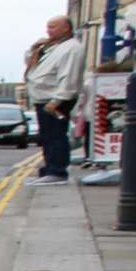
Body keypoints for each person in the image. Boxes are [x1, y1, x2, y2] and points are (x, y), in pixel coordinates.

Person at [25, 15, 86, 185]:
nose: (48, 30)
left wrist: (57, 101)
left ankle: (57, 171)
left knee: (55, 135)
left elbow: (69, 78)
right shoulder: (55, 47)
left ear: (66, 28)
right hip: (44, 98)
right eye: (48, 26)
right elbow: (32, 65)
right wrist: (36, 49)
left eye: (52, 27)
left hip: (55, 100)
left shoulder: (71, 48)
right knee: (48, 136)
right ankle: (50, 169)